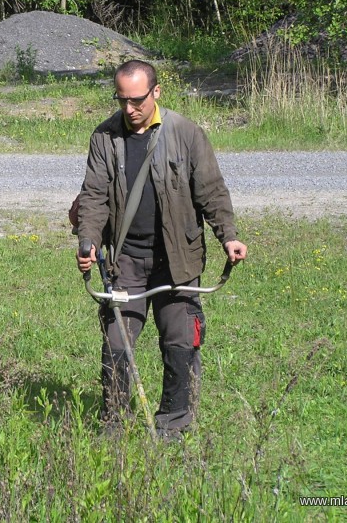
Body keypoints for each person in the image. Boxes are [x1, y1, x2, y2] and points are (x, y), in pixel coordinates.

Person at [75, 59, 247, 438]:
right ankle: (115, 424)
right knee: (117, 346)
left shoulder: (186, 134)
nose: (129, 109)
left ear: (156, 92)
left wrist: (228, 236)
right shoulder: (105, 137)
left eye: (137, 100)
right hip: (125, 263)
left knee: (180, 344)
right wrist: (87, 240)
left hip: (178, 260)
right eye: (122, 100)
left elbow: (212, 192)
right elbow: (93, 197)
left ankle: (174, 425)